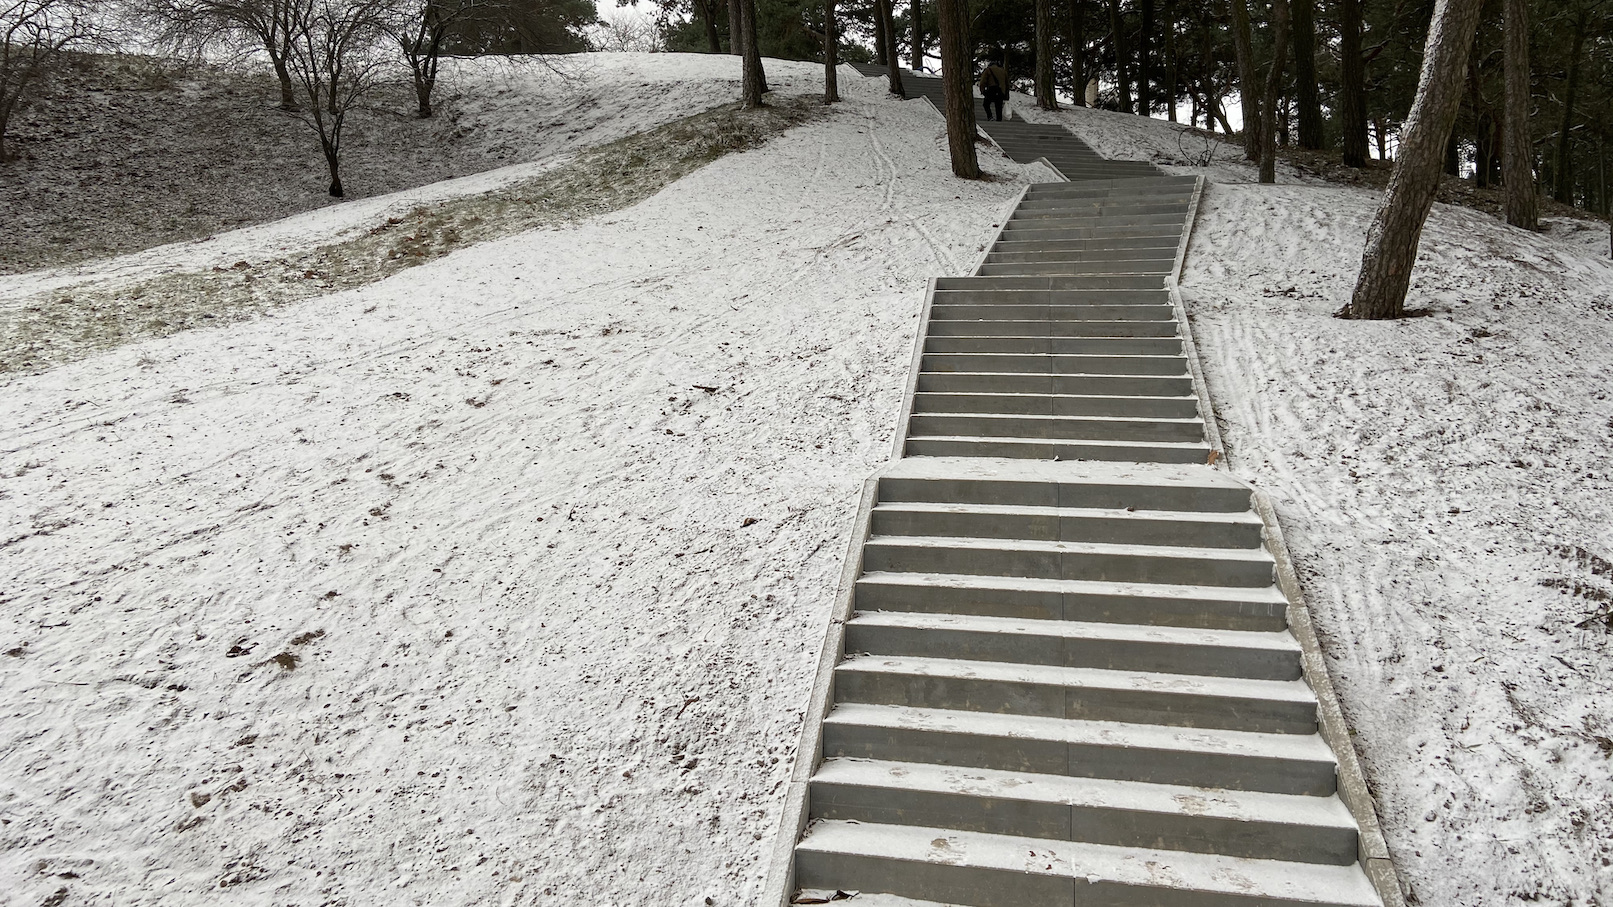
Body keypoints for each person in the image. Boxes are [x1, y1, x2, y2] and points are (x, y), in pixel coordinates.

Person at [977, 56, 1008, 121]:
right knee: (998, 106)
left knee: (986, 104)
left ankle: (990, 116)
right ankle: (999, 119)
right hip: (1001, 91)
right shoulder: (1003, 71)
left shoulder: (988, 70)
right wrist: (1006, 95)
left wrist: (982, 90)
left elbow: (983, 81)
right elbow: (1007, 83)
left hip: (992, 89)